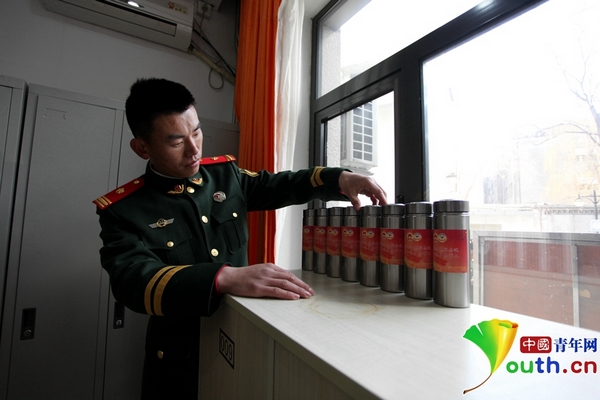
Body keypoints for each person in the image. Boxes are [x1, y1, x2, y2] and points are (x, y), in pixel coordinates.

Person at [93, 78, 387, 399]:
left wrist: (340, 178)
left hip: (241, 340)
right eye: (177, 142)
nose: (194, 150)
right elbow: (131, 281)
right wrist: (223, 277)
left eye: (197, 132)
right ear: (142, 148)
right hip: (179, 360)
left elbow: (283, 184)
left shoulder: (225, 176)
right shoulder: (124, 210)